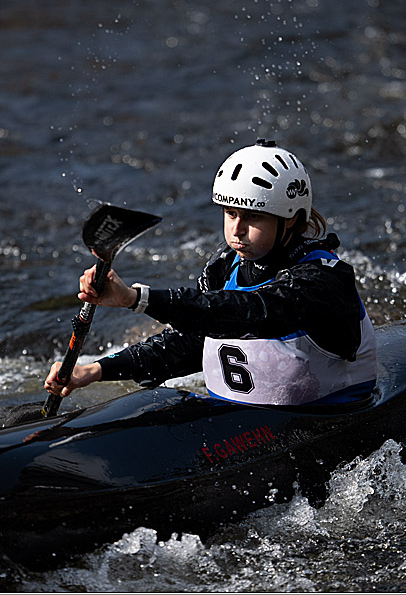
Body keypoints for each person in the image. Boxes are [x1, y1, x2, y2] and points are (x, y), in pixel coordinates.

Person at [44, 139, 377, 406]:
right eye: (230, 213)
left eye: (254, 217)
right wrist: (98, 369)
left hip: (327, 419)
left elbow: (247, 313)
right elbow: (191, 340)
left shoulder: (323, 280)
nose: (237, 230)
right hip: (238, 422)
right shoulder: (226, 264)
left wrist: (137, 299)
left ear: (289, 218)